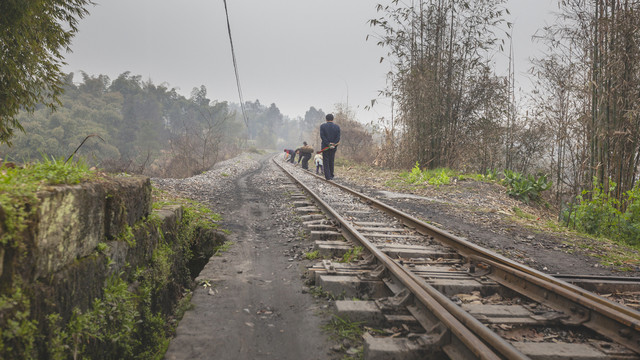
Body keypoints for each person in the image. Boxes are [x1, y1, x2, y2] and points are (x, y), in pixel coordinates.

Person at [320, 113, 340, 180]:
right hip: (334, 147)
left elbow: (322, 136)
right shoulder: (337, 127)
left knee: (326, 160)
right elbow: (338, 137)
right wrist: (333, 144)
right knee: (331, 160)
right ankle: (331, 175)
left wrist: (328, 143)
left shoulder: (322, 126)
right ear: (333, 119)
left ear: (326, 119)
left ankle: (327, 176)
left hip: (325, 146)